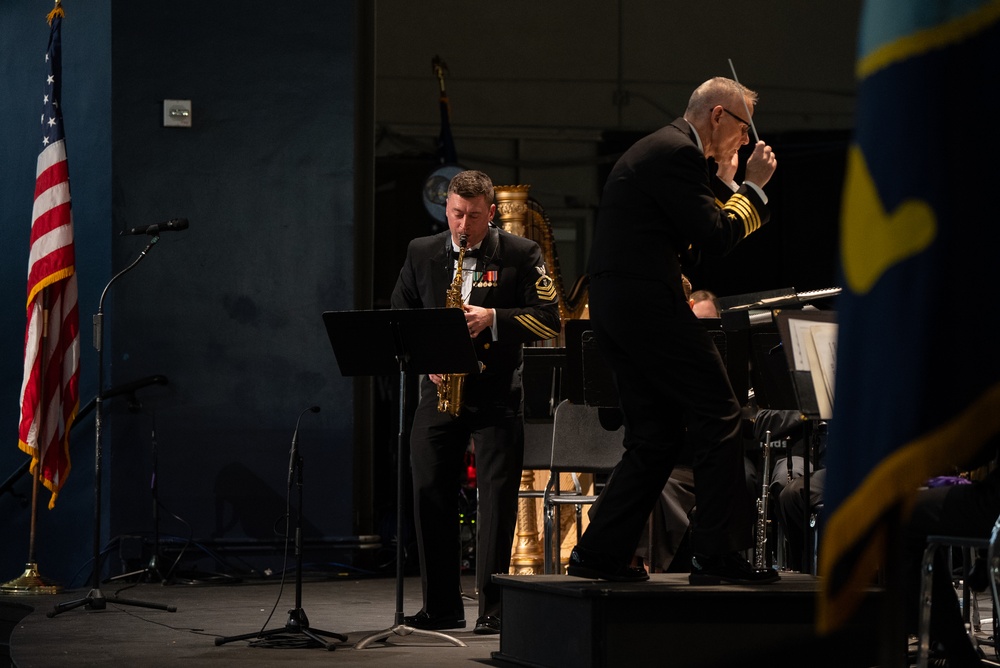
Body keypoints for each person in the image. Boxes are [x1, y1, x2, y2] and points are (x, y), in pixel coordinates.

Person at [567, 76, 779, 585]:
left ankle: (597, 553)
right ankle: (715, 556)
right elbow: (716, 235)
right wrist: (751, 187)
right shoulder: (677, 153)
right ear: (719, 117)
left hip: (620, 310)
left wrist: (727, 184)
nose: (748, 141)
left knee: (656, 436)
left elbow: (697, 231)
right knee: (721, 412)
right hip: (648, 307)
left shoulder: (665, 149)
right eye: (745, 128)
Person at [391, 169, 561, 635]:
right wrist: (427, 360)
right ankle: (441, 606)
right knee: (429, 493)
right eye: (456, 215)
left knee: (498, 500)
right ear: (446, 209)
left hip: (495, 392)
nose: (463, 226)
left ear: (492, 213)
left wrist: (493, 318)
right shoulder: (421, 252)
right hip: (439, 390)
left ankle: (494, 608)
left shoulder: (520, 253)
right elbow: (399, 317)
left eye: (474, 216)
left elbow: (550, 320)